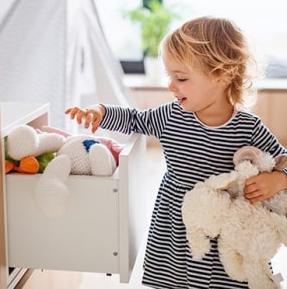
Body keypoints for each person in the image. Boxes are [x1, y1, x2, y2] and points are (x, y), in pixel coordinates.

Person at [65, 16, 287, 288]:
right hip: (176, 221)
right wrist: (100, 112)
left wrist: (278, 179)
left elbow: (282, 159)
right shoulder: (170, 116)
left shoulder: (248, 127)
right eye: (170, 76)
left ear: (221, 75)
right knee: (173, 280)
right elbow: (135, 120)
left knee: (228, 279)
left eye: (181, 78)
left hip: (225, 225)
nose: (171, 85)